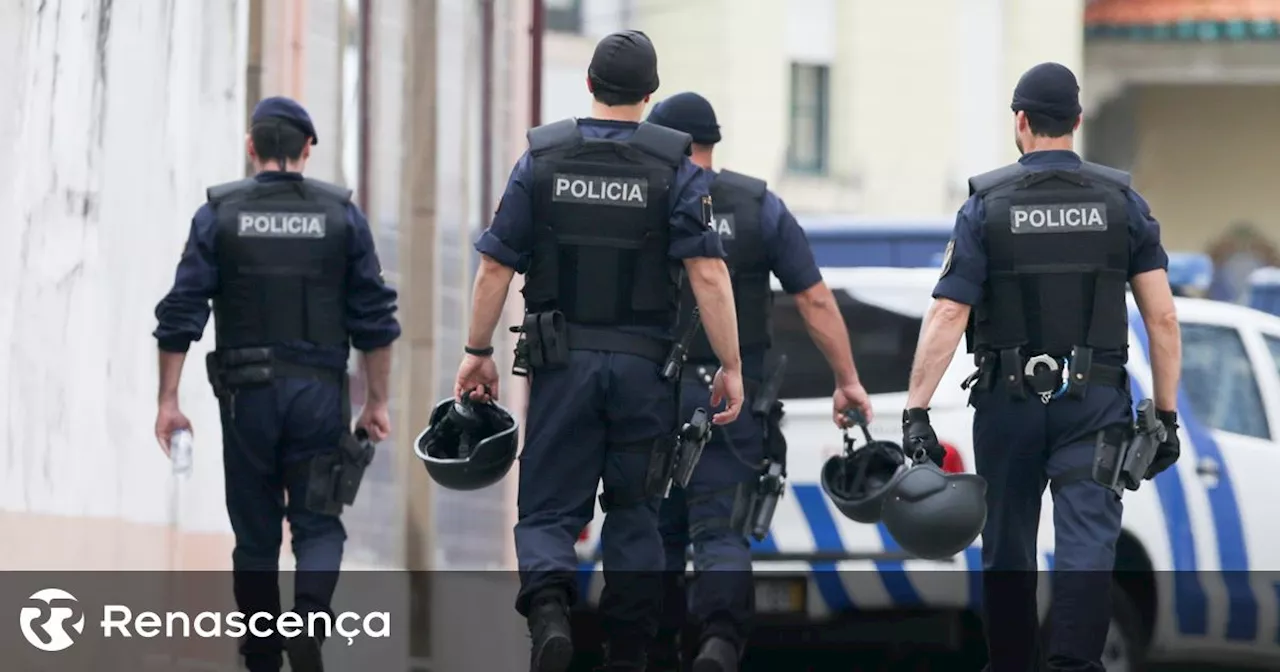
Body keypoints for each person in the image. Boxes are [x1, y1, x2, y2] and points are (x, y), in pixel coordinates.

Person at [456, 30, 744, 672]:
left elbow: (494, 269)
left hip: (562, 366)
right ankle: (629, 652)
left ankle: (552, 613)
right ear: (650, 95)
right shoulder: (677, 168)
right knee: (637, 513)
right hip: (646, 370)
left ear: (588, 85)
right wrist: (730, 364)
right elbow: (707, 274)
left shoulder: (541, 158)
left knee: (549, 509)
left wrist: (478, 351)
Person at [900, 63, 1182, 672]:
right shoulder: (1123, 204)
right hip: (1096, 408)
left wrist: (916, 409)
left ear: (1020, 122)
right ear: (1077, 122)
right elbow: (1162, 319)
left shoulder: (985, 206)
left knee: (1006, 551)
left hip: (1008, 406)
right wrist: (1166, 416)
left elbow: (949, 314)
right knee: (1087, 549)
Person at [152, 96, 400, 672]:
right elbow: (376, 319)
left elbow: (182, 311)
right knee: (318, 522)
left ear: (251, 147)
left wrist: (169, 400)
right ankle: (309, 623)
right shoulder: (342, 216)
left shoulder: (219, 214)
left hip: (247, 397)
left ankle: (262, 654)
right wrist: (377, 402)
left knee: (256, 533)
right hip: (317, 395)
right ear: (307, 150)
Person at [643, 92, 873, 672]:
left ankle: (653, 650)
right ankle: (719, 644)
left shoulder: (647, 200)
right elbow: (815, 299)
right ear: (712, 144)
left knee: (654, 535)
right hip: (727, 397)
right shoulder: (757, 206)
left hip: (652, 397)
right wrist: (846, 379)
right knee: (721, 532)